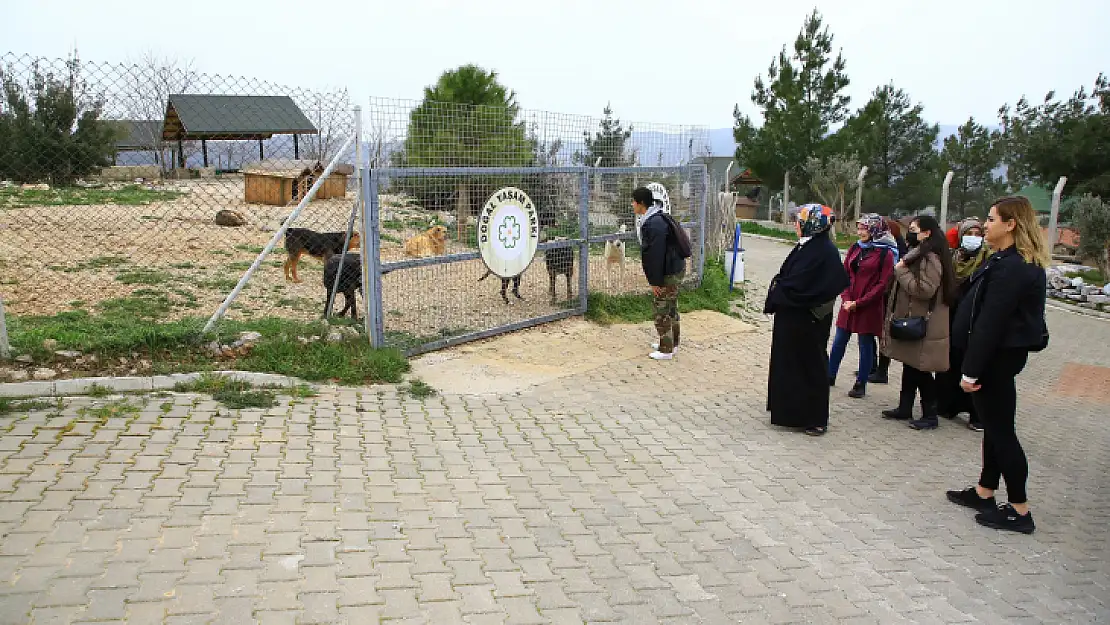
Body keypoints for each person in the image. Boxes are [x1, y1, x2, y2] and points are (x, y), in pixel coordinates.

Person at [946, 196, 1049, 534]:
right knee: (994, 426)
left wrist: (971, 370)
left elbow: (991, 322)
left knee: (1002, 432)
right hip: (997, 358)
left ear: (1011, 224)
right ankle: (984, 491)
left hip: (996, 361)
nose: (985, 225)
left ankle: (1020, 510)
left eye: (991, 219)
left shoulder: (1013, 267)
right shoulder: (1006, 260)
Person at [764, 204, 850, 436]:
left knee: (811, 366)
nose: (795, 226)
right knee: (792, 364)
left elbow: (813, 286)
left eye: (799, 222)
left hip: (809, 320)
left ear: (812, 224)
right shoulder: (808, 246)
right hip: (794, 319)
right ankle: (791, 412)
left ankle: (815, 417)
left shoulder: (824, 252)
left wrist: (782, 290)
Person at [880, 215, 957, 430]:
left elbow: (925, 289)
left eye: (914, 229)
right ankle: (905, 407)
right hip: (916, 319)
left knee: (921, 370)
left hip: (925, 324)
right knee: (911, 365)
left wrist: (901, 271)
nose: (910, 233)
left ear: (927, 233)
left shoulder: (929, 257)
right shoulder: (921, 253)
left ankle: (929, 415)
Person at [827, 214, 895, 399]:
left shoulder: (885, 253)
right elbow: (846, 273)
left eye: (865, 228)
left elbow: (883, 284)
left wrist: (860, 303)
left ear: (875, 230)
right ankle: (829, 375)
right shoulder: (855, 248)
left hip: (868, 306)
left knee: (865, 344)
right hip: (849, 303)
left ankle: (860, 383)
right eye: (859, 228)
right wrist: (847, 298)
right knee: (839, 339)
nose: (861, 232)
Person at [936, 217, 990, 430]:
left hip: (975, 321)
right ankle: (948, 405)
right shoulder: (952, 258)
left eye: (978, 235)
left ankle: (976, 414)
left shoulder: (988, 261)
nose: (973, 239)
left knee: (973, 365)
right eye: (969, 234)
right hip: (951, 316)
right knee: (950, 363)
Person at [632, 186, 686, 360]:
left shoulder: (653, 224)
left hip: (668, 272)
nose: (632, 205)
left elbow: (655, 255)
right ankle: (671, 343)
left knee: (661, 310)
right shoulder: (660, 217)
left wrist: (655, 282)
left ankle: (665, 350)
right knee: (671, 308)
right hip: (675, 268)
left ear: (641, 203)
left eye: (633, 202)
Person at [867, 218, 908, 384]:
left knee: (882, 333)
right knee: (870, 331)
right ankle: (871, 366)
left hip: (888, 296)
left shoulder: (895, 249)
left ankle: (882, 371)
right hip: (876, 294)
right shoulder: (877, 245)